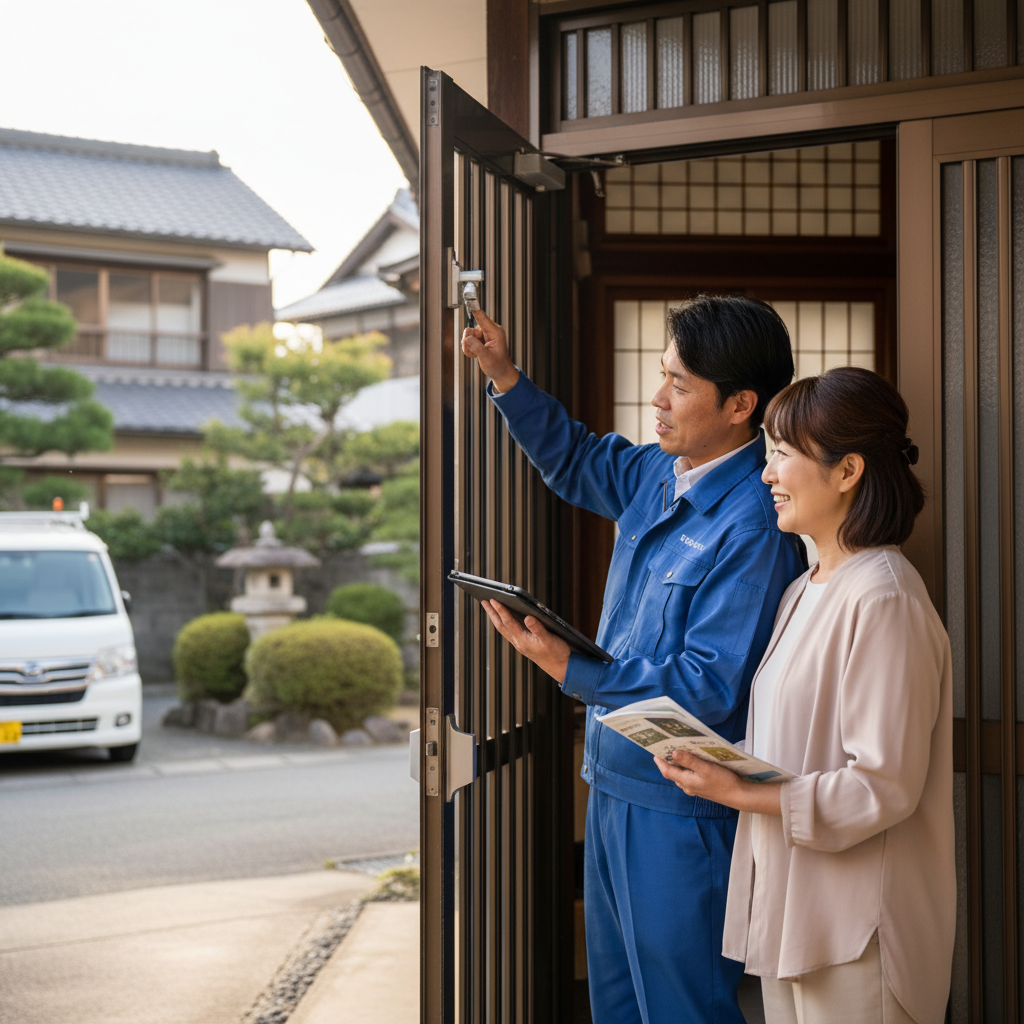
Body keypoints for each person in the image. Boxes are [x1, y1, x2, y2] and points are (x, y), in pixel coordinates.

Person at [462, 297, 806, 1024]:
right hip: (613, 781)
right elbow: (577, 459)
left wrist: (571, 668)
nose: (658, 398)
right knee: (616, 1006)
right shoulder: (659, 472)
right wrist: (502, 373)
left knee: (683, 1010)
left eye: (680, 385)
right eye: (662, 376)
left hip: (684, 809)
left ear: (741, 404)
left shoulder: (756, 522)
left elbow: (710, 685)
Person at [656, 365, 955, 1024]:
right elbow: (794, 741)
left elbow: (883, 784)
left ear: (846, 472)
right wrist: (719, 760)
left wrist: (742, 792)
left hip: (859, 933)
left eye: (784, 454)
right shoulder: (807, 587)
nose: (767, 473)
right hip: (795, 914)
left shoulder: (884, 598)